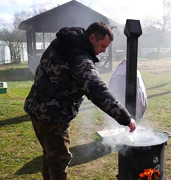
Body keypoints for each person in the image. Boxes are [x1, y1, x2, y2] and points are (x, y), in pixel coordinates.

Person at [24, 22, 136, 180]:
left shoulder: (60, 43)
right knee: (59, 160)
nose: (104, 50)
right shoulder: (79, 58)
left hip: (36, 109)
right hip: (54, 116)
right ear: (92, 38)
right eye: (103, 45)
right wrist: (126, 118)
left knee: (50, 155)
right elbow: (98, 91)